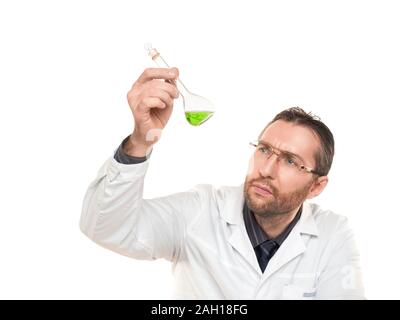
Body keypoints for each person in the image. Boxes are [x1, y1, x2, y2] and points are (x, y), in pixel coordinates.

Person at [80, 67, 364, 299]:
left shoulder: (332, 235)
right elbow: (104, 227)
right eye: (264, 149)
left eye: (290, 161)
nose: (266, 169)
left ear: (316, 186)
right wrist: (141, 140)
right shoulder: (198, 211)